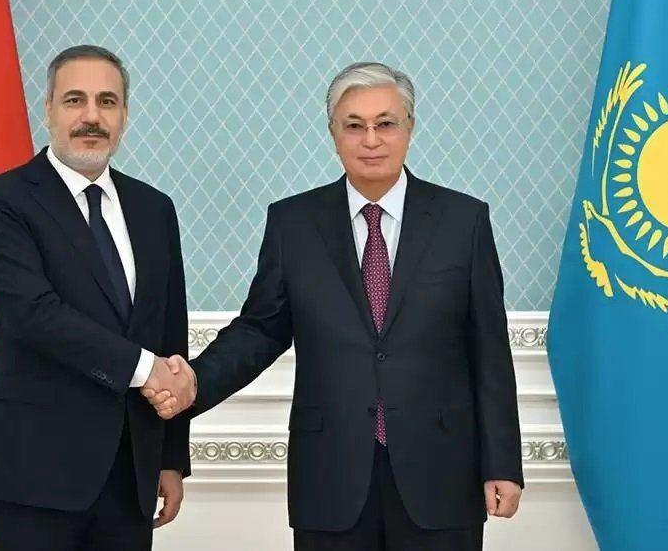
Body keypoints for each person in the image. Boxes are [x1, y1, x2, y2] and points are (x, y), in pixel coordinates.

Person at [146, 62, 523, 551]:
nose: (371, 139)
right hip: (331, 475)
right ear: (333, 133)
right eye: (354, 125)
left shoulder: (463, 220)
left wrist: (502, 464)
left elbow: (490, 350)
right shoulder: (293, 223)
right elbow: (260, 329)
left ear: (409, 128)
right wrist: (195, 381)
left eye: (386, 123)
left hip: (442, 474)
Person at [0, 44, 195, 551]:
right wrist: (145, 369)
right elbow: (34, 314)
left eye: (107, 102)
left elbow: (169, 332)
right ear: (47, 108)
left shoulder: (154, 208)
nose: (92, 116)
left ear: (124, 115)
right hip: (33, 472)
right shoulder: (0, 201)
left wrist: (170, 458)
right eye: (75, 100)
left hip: (131, 472)